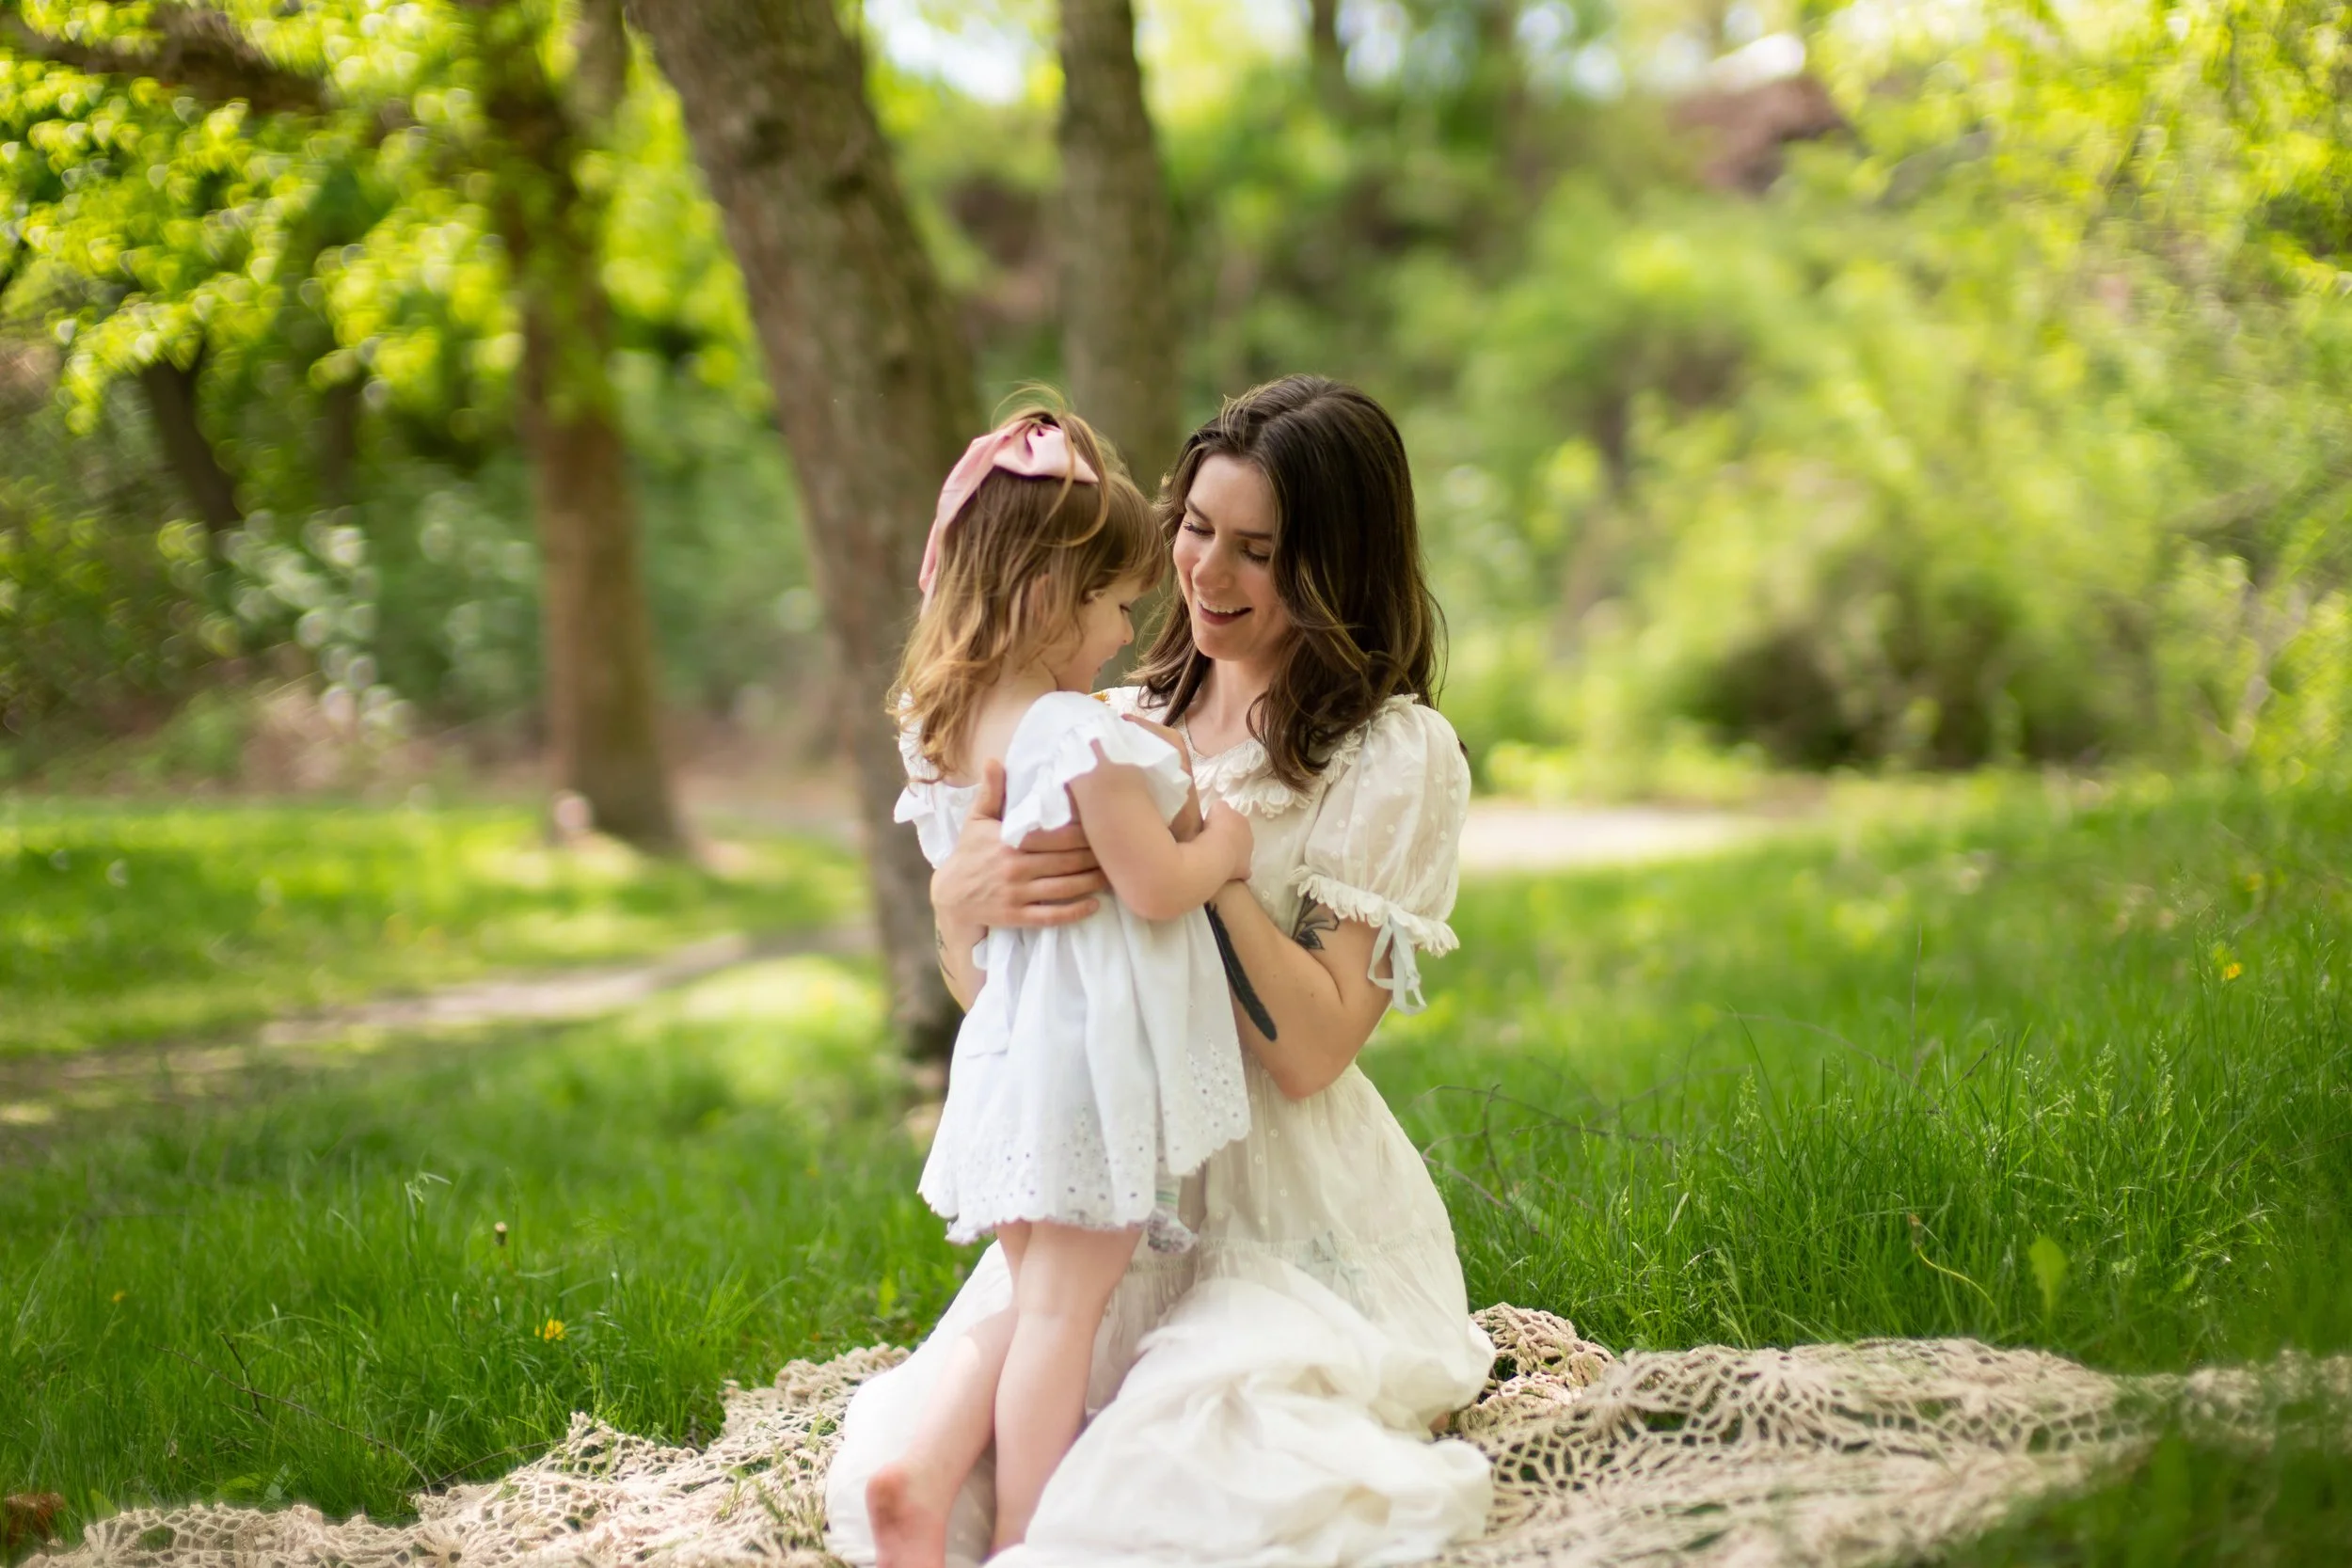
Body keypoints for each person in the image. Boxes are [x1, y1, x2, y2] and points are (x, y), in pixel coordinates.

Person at [828, 375, 1493, 1568]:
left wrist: (1204, 867)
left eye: (1258, 550)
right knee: (968, 1479)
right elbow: (1026, 1006)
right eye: (1194, 529)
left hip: (1280, 1215)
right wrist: (956, 906)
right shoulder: (1099, 716)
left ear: (1338, 565)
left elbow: (1310, 1052)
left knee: (1172, 1490)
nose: (1207, 575)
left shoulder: (1391, 751)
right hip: (1104, 1162)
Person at [866, 407, 1259, 1568]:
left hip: (1013, 1060)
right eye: (1109, 602)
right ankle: (1035, 1533)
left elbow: (984, 925)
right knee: (1057, 1311)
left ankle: (915, 1475)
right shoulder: (1074, 737)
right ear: (1044, 596)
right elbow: (1153, 885)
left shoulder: (954, 732)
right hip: (1087, 1071)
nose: (1125, 627)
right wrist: (1225, 844)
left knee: (1030, 1298)